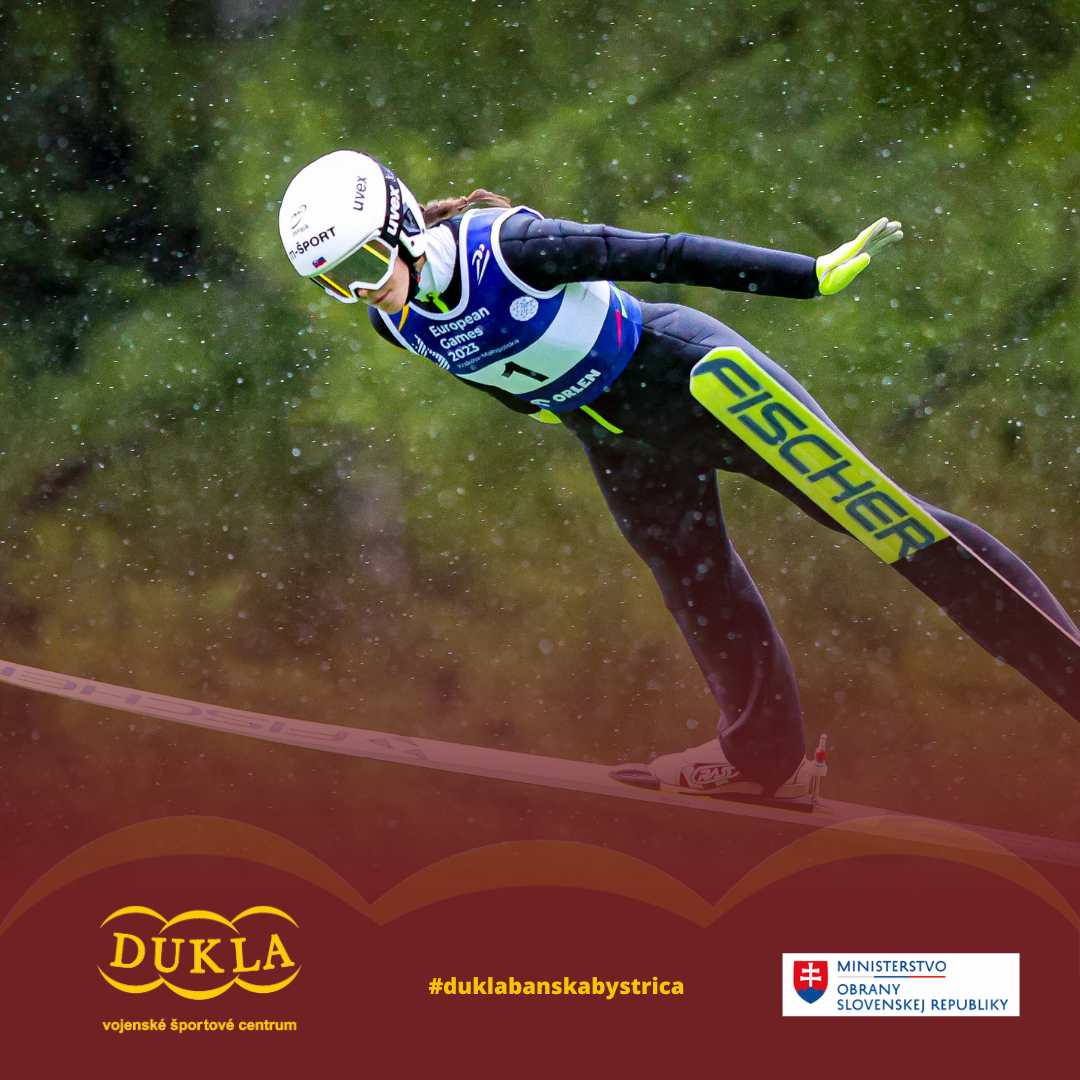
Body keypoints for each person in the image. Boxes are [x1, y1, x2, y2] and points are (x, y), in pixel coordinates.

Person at [278, 149, 1079, 802]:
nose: (362, 288)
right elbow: (494, 370)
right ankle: (763, 758)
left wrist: (807, 275)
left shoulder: (511, 248)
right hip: (615, 433)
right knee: (695, 581)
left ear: (401, 224)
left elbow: (662, 253)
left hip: (687, 375)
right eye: (335, 282)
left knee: (874, 516)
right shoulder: (393, 320)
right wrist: (553, 407)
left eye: (365, 262)